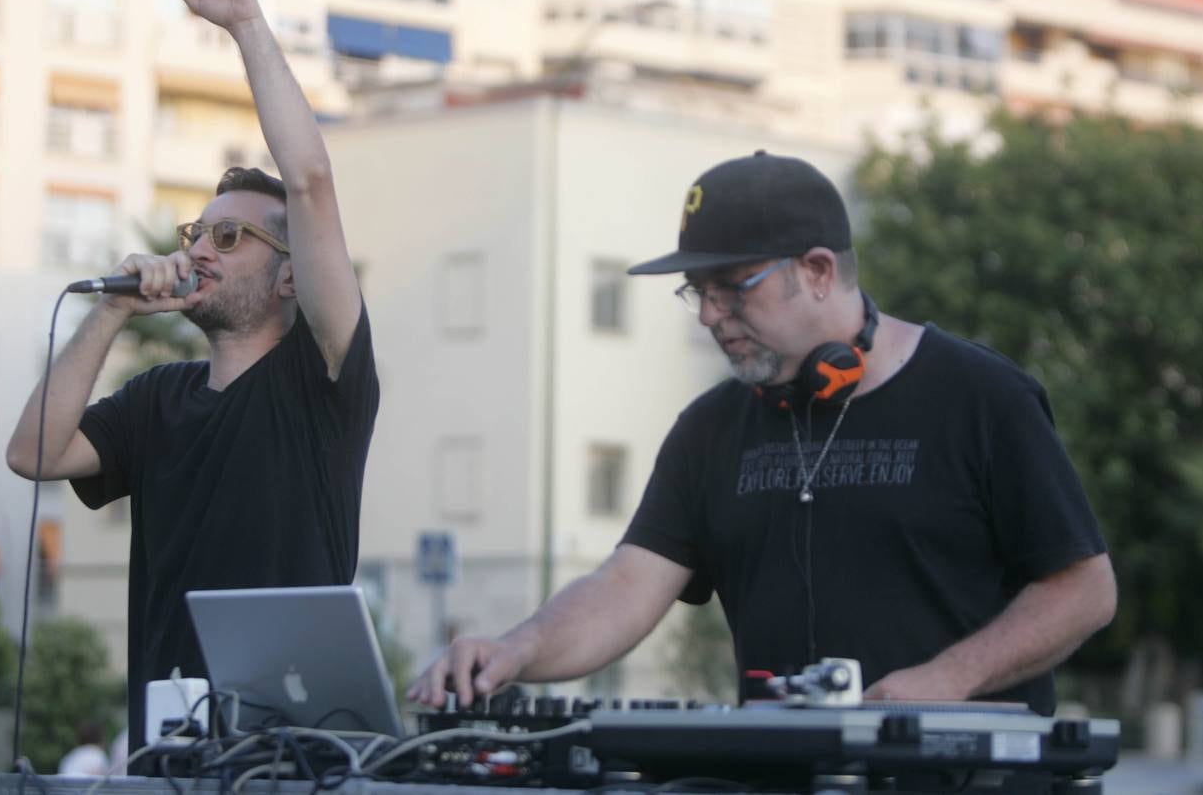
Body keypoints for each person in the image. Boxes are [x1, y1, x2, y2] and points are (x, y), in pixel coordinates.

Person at [410, 150, 1116, 714]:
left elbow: (1083, 589)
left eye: (733, 287)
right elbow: (628, 585)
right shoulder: (710, 430)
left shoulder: (981, 398)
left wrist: (948, 678)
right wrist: (517, 649)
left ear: (816, 271)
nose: (710, 315)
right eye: (699, 293)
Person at [7, 0, 376, 758]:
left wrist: (245, 23)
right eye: (196, 233)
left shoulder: (320, 379)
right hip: (166, 746)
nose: (202, 248)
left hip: (297, 750)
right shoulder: (156, 399)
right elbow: (33, 454)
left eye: (231, 235)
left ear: (289, 278)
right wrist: (113, 309)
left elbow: (310, 181)